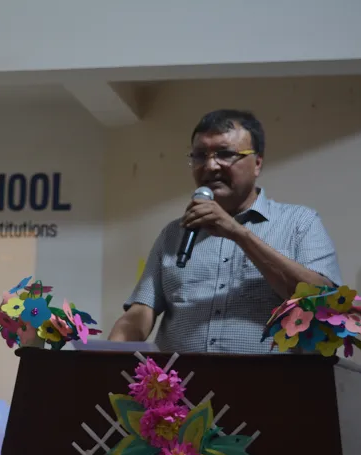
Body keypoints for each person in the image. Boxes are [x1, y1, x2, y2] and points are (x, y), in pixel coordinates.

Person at [108, 109, 342, 354]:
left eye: (225, 154)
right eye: (200, 155)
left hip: (272, 379)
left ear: (257, 163)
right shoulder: (173, 234)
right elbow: (140, 312)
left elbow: (323, 302)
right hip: (181, 378)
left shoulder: (299, 222)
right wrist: (105, 357)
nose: (210, 166)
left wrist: (238, 233)